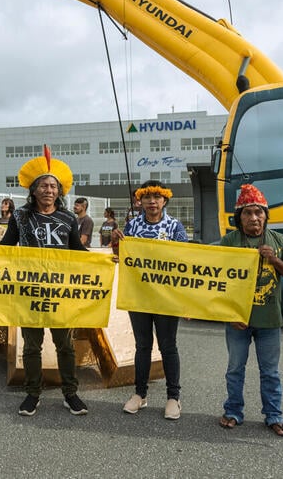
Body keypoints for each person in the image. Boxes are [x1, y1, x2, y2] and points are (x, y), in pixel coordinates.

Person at [0, 145, 89, 417]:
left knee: (65, 345)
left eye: (53, 186)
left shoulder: (69, 218)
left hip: (60, 291)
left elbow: (78, 252)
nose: (49, 190)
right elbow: (7, 245)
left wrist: (105, 262)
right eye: (44, 186)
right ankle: (32, 394)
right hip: (30, 291)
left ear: (60, 192)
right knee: (32, 346)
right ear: (33, 190)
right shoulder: (21, 216)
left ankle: (70, 393)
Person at [217, 184, 283, 437]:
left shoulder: (279, 241)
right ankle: (233, 411)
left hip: (270, 320)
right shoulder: (229, 241)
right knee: (234, 369)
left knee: (270, 372)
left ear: (266, 215)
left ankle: (274, 415)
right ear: (239, 218)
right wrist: (230, 314)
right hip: (238, 320)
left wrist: (274, 260)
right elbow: (218, 280)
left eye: (259, 212)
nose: (254, 218)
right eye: (248, 213)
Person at [113, 180, 188, 420]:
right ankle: (140, 394)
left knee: (168, 346)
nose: (152, 201)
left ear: (165, 200)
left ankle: (173, 397)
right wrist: (117, 246)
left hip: (167, 298)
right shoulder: (131, 226)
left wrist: (186, 300)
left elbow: (186, 261)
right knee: (142, 346)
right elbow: (122, 256)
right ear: (140, 200)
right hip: (139, 296)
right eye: (148, 197)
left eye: (157, 197)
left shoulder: (175, 226)